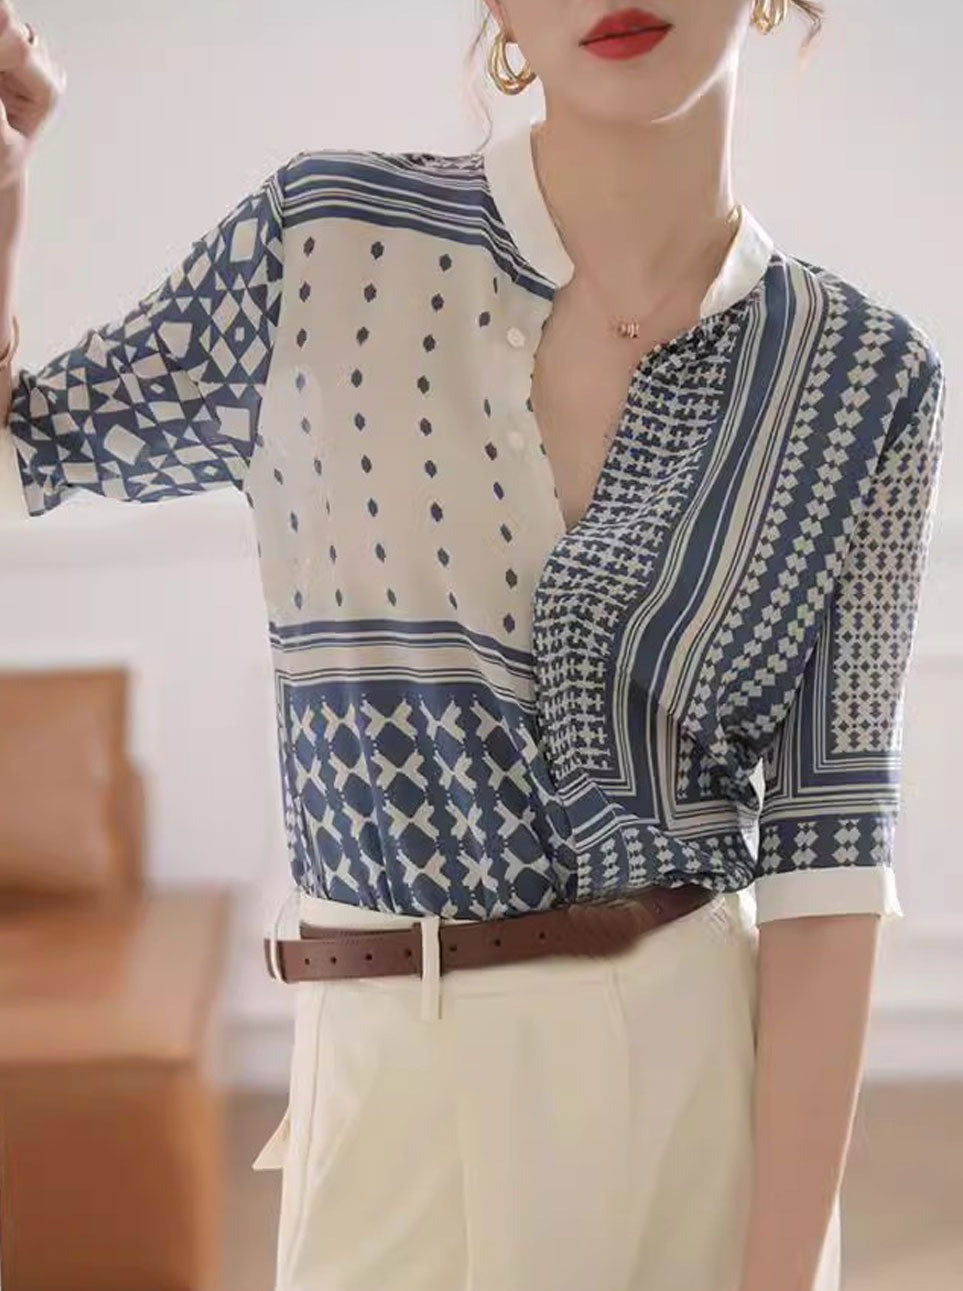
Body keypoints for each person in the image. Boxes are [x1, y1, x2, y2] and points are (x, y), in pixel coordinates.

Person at [0, 2, 947, 1289]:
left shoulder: (861, 378)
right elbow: (23, 457)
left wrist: (776, 1274)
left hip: (689, 1085)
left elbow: (829, 862)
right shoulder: (319, 245)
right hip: (386, 1072)